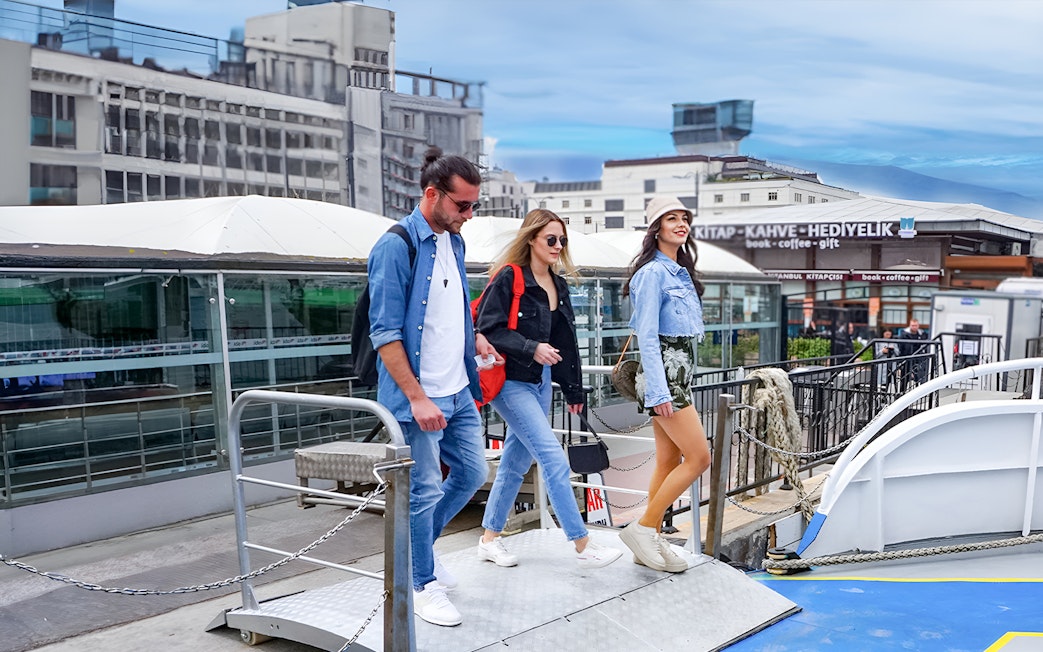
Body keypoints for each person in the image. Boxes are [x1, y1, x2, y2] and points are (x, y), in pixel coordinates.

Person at [367, 146, 496, 627]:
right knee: (422, 491)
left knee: (469, 474)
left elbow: (451, 308)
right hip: (419, 394)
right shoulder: (396, 246)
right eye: (462, 206)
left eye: (474, 206)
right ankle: (421, 583)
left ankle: (419, 551)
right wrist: (417, 398)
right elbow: (386, 332)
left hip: (460, 388)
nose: (468, 215)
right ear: (432, 195)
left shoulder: (455, 243)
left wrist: (475, 336)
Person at [474, 209, 623, 571]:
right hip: (510, 382)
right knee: (553, 459)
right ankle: (581, 542)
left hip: (540, 382)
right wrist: (530, 347)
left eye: (562, 240)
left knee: (515, 461)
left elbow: (565, 341)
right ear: (531, 240)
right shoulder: (509, 277)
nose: (558, 246)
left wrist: (574, 392)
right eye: (551, 239)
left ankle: (489, 539)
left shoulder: (558, 284)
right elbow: (488, 329)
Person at [618, 196, 712, 573]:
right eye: (671, 218)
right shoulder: (653, 273)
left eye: (684, 218)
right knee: (700, 458)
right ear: (655, 227)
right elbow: (648, 336)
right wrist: (659, 393)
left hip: (678, 377)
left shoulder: (678, 271)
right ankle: (641, 528)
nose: (680, 223)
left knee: (669, 460)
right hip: (666, 379)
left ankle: (650, 537)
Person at [899, 319, 930, 383]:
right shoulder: (904, 335)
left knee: (920, 377)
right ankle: (902, 392)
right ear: (910, 325)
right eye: (912, 325)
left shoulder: (923, 335)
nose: (914, 327)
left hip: (919, 359)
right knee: (904, 378)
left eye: (915, 325)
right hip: (906, 358)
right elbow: (900, 347)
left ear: (918, 326)